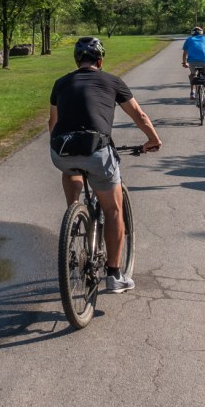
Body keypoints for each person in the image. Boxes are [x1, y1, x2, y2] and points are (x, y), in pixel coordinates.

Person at [49, 36, 161, 293]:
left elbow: (52, 123)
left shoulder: (61, 83)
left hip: (60, 150)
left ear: (77, 61)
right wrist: (153, 139)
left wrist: (59, 146)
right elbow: (138, 114)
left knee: (71, 169)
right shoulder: (112, 81)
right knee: (112, 210)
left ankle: (74, 217)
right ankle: (113, 274)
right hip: (97, 150)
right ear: (100, 60)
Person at [181, 25, 205, 115]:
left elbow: (185, 53)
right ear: (202, 33)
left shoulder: (189, 39)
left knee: (192, 75)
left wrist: (185, 63)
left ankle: (192, 92)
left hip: (193, 62)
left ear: (192, 33)